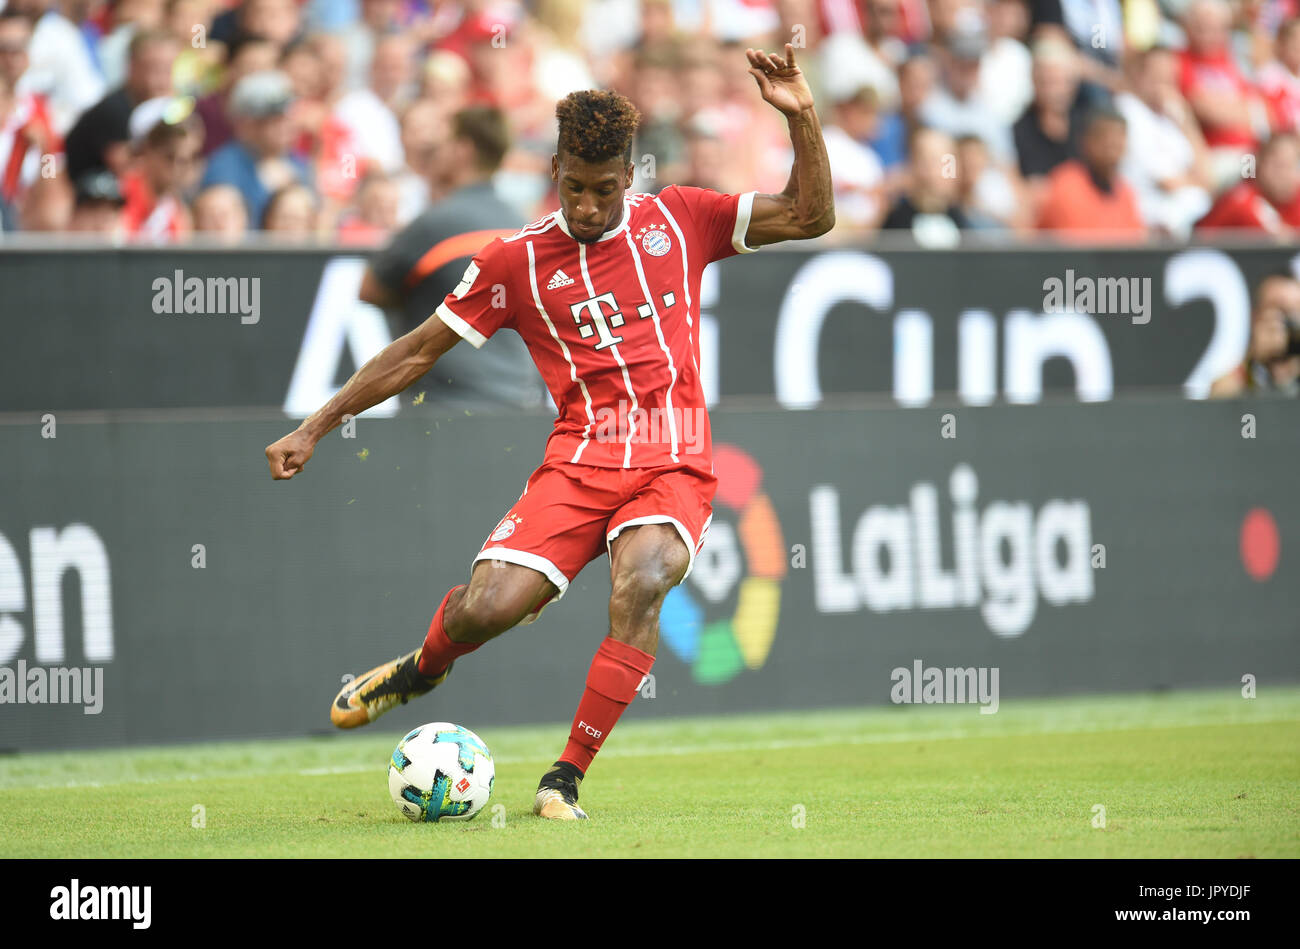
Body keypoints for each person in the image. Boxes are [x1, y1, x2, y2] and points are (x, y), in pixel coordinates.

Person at [264, 44, 835, 821]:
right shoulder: (516, 261)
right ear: (554, 169)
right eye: (575, 187)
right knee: (485, 608)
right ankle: (423, 668)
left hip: (674, 455)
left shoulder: (680, 219)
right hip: (580, 461)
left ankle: (563, 777)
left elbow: (812, 214)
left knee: (646, 575)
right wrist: (316, 425)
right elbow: (417, 351)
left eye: (605, 189)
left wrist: (802, 117)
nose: (590, 206)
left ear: (630, 174)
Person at [362, 105, 544, 410]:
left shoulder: (434, 224)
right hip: (518, 405)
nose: (435, 151)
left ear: (463, 149)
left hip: (441, 409)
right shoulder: (524, 226)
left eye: (444, 142)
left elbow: (369, 290)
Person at [1210, 273, 1300, 397]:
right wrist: (1254, 359)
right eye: (1279, 309)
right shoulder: (1246, 375)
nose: (1288, 321)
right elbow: (1218, 400)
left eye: (1295, 308)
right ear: (1256, 317)